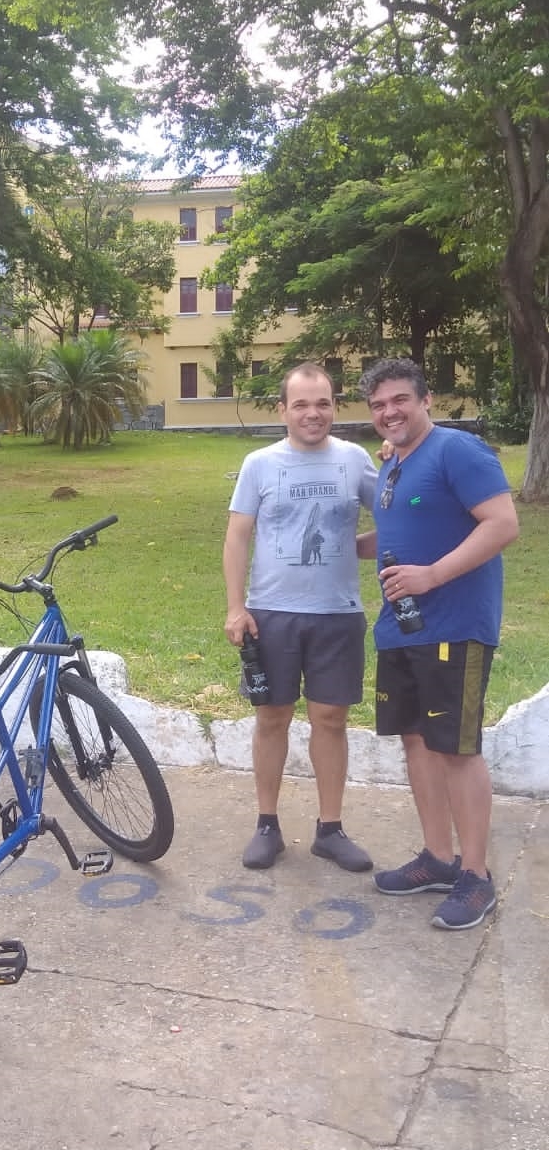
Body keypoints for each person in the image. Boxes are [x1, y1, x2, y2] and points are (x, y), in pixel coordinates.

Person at [359, 358, 520, 931]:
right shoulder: (394, 463)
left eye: (400, 400)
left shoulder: (459, 450)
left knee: (455, 747)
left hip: (455, 625)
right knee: (417, 741)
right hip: (402, 626)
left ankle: (475, 876)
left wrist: (431, 576)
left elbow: (501, 524)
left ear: (426, 400)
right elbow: (407, 526)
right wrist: (354, 545)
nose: (389, 412)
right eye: (378, 405)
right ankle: (437, 858)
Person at [223, 362, 378, 873]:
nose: (313, 414)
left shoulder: (355, 461)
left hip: (338, 615)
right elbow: (238, 536)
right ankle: (267, 824)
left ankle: (329, 830)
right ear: (283, 409)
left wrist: (358, 546)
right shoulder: (260, 464)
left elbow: (398, 518)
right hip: (272, 616)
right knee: (272, 718)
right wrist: (235, 606)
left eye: (323, 403)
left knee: (330, 721)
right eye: (302, 404)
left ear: (335, 405)